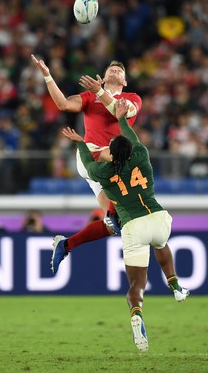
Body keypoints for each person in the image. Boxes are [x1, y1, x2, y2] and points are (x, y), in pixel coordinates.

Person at [53, 99, 189, 352]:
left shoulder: (103, 173)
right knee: (161, 244)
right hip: (158, 218)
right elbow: (130, 136)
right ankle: (175, 285)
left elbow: (90, 164)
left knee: (136, 286)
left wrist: (81, 142)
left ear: (112, 153)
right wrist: (122, 119)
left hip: (132, 227)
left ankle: (136, 314)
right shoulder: (142, 156)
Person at [31, 54, 141, 239]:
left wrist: (101, 92)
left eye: (119, 70)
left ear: (125, 81)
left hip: (107, 165)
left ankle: (78, 238)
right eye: (111, 69)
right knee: (121, 156)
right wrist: (48, 76)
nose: (115, 70)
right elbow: (63, 104)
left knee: (121, 223)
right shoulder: (90, 96)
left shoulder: (132, 98)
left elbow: (119, 111)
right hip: (91, 155)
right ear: (104, 78)